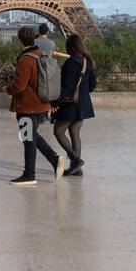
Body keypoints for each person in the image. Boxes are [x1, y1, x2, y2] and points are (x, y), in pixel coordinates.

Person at [6, 25, 63, 187]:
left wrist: (7, 89)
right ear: (33, 39)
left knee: (28, 140)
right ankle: (54, 159)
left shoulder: (25, 60)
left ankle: (29, 174)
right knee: (32, 136)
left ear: (20, 42)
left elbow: (20, 85)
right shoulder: (41, 55)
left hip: (26, 107)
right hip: (41, 105)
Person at [51, 33, 96, 177]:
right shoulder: (87, 61)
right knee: (75, 133)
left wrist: (56, 101)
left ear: (70, 47)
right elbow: (92, 84)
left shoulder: (71, 62)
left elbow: (67, 85)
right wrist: (82, 92)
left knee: (58, 131)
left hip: (71, 104)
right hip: (82, 102)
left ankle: (75, 161)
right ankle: (77, 169)